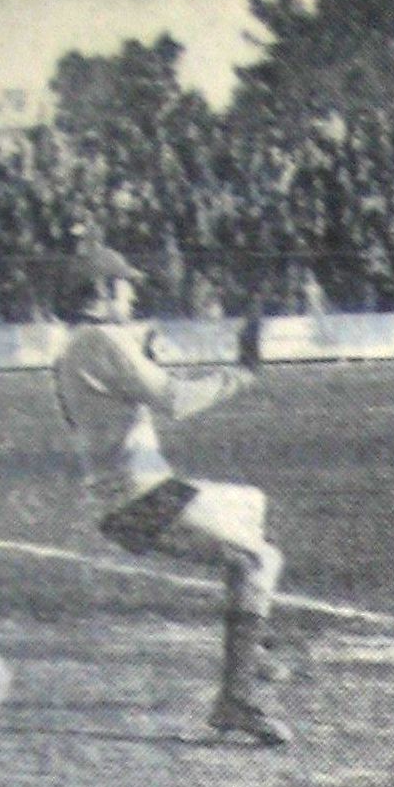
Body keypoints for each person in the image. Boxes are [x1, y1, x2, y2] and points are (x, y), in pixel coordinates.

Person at [52, 248, 292, 745]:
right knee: (257, 558)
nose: (133, 293)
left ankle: (251, 650)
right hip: (139, 497)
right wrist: (242, 371)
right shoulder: (98, 340)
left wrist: (143, 348)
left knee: (250, 504)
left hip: (126, 495)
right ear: (100, 291)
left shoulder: (78, 346)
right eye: (124, 285)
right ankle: (237, 698)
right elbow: (176, 400)